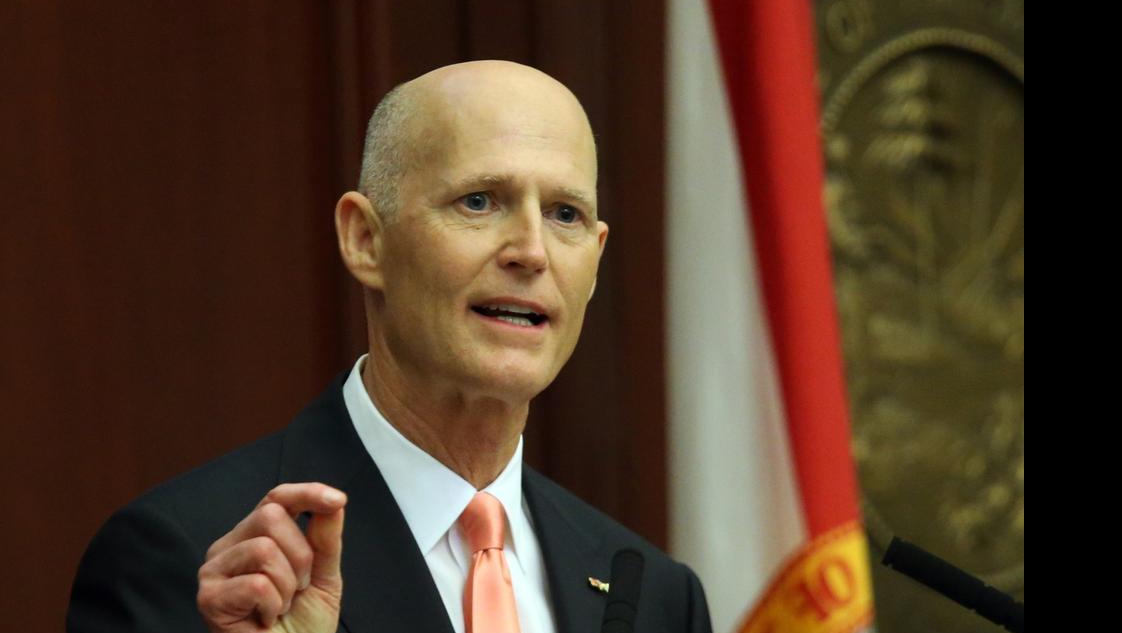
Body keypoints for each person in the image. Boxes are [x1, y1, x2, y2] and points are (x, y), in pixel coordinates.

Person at [67, 60, 712, 633]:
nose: (532, 252)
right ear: (365, 240)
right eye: (480, 201)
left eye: (564, 214)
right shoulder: (197, 560)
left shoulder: (655, 596)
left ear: (595, 262)